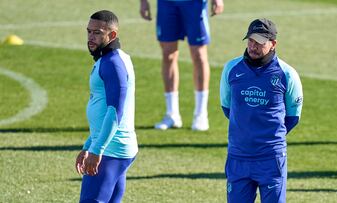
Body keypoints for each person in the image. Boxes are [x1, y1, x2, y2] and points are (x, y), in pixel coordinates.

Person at [220, 18, 303, 203]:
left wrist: (267, 139)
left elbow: (293, 117)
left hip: (271, 158)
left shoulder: (287, 74)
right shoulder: (231, 69)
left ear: (273, 44)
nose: (253, 46)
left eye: (259, 42)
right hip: (238, 156)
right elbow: (227, 108)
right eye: (250, 40)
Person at [75, 10, 138, 203]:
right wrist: (88, 145)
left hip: (111, 150)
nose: (90, 38)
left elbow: (115, 112)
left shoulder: (113, 64)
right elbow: (104, 112)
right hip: (113, 148)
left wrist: (97, 149)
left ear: (111, 35)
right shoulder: (111, 59)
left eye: (97, 33)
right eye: (89, 32)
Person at [140, 0, 224, 131]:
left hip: (195, 4)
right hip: (167, 3)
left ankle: (201, 114)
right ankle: (172, 114)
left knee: (199, 54)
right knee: (168, 54)